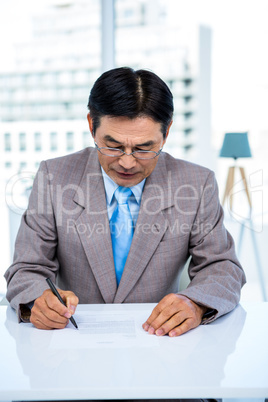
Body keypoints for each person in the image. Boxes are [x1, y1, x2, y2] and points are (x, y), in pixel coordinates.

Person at [5, 67, 245, 402]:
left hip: (165, 361)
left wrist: (194, 302)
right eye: (113, 145)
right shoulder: (54, 176)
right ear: (92, 125)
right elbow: (26, 268)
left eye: (145, 147)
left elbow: (224, 268)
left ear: (167, 132)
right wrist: (36, 301)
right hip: (70, 364)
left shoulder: (196, 182)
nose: (128, 162)